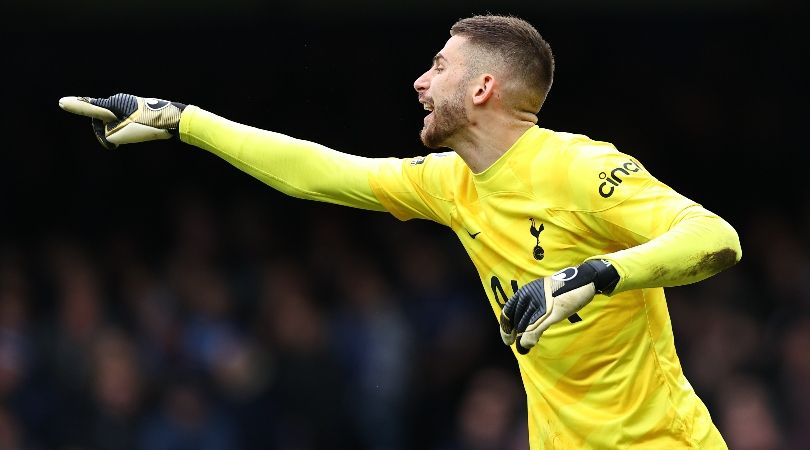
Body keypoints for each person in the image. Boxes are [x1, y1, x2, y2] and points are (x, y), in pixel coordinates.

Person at [59, 14, 741, 449]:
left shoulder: (579, 167)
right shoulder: (451, 183)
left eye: (439, 66)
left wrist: (594, 273)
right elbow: (319, 173)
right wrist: (182, 119)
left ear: (482, 88)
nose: (420, 81)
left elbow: (713, 238)